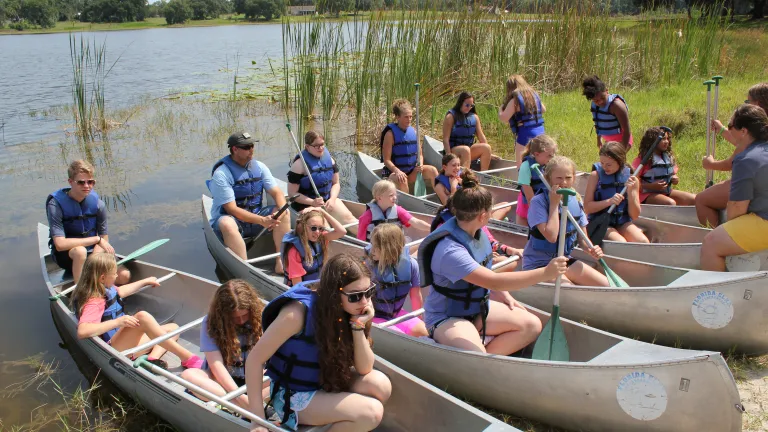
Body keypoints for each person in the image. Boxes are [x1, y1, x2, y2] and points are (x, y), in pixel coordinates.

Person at [418, 176, 567, 356]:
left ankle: (486, 360)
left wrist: (503, 295)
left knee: (531, 325)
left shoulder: (476, 233)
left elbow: (487, 275)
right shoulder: (450, 250)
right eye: (491, 211)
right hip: (447, 317)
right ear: (482, 216)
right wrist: (545, 273)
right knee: (477, 355)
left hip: (476, 308)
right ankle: (479, 357)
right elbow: (494, 281)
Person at [245, 254, 392, 431]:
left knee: (381, 385)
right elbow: (254, 360)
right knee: (371, 413)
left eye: (369, 292)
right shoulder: (296, 314)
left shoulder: (354, 310)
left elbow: (365, 368)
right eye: (355, 296)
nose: (364, 301)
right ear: (334, 294)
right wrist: (257, 419)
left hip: (326, 380)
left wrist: (358, 326)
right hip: (293, 395)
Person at [72, 253, 202, 369]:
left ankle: (152, 359)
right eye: (114, 273)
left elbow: (121, 291)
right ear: (102, 278)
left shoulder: (106, 288)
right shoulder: (94, 301)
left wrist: (145, 281)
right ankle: (187, 357)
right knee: (142, 317)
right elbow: (82, 331)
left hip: (128, 344)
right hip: (115, 348)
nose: (117, 275)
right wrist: (118, 322)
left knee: (173, 328)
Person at [208, 132, 290, 274]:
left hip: (256, 216)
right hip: (232, 221)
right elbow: (232, 209)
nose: (251, 149)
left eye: (252, 146)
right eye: (246, 147)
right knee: (227, 223)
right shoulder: (222, 174)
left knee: (285, 213)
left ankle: (281, 261)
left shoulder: (260, 167)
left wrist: (280, 211)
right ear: (234, 149)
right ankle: (246, 269)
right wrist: (262, 220)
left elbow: (277, 193)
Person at [523, 156, 609, 286]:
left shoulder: (576, 200)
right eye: (559, 178)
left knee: (606, 285)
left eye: (568, 178)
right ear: (548, 179)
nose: (564, 183)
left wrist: (592, 249)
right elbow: (551, 237)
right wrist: (554, 205)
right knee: (568, 288)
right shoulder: (538, 202)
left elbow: (583, 240)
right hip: (539, 265)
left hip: (563, 261)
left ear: (574, 178)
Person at [701, 104, 768, 271]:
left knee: (711, 243)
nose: (728, 130)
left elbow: (737, 208)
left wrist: (727, 231)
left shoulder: (745, 160)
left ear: (744, 131)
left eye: (730, 126)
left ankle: (718, 295)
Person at [181, 280, 267, 409]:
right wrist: (239, 397)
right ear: (223, 314)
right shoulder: (210, 323)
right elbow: (217, 366)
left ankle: (238, 405)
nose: (241, 321)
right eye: (235, 317)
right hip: (223, 381)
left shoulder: (263, 316)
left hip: (257, 380)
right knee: (188, 375)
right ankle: (244, 405)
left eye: (244, 315)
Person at [46, 160, 130, 285]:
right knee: (80, 252)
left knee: (124, 276)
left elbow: (104, 238)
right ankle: (80, 293)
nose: (87, 186)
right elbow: (60, 244)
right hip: (68, 255)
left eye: (90, 182)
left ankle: (109, 295)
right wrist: (95, 240)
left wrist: (93, 260)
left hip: (94, 252)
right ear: (70, 182)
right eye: (81, 182)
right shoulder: (55, 205)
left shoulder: (98, 205)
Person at [697, 83, 768, 227]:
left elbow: (734, 161)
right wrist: (723, 130)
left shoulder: (755, 125)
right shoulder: (760, 125)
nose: (746, 103)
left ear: (758, 104)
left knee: (701, 199)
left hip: (754, 186)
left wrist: (710, 164)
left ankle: (718, 237)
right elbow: (745, 141)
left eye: (748, 101)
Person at [366, 224, 428, 337]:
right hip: (375, 316)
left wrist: (418, 319)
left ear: (389, 248)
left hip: (397, 313)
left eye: (376, 246)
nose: (372, 250)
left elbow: (415, 296)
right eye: (372, 245)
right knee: (400, 336)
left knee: (423, 332)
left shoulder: (411, 265)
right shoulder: (368, 268)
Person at [287, 131, 356, 225]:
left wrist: (332, 199)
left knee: (348, 218)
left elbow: (336, 183)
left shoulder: (330, 160)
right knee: (323, 226)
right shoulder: (299, 165)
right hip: (306, 205)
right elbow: (292, 194)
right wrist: (312, 202)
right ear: (307, 147)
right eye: (316, 146)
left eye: (322, 144)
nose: (321, 148)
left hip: (327, 201)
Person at [584, 141, 648, 243]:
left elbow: (635, 215)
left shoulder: (631, 178)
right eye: (602, 163)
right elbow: (587, 208)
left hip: (622, 222)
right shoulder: (595, 176)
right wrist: (609, 201)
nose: (604, 167)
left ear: (620, 161)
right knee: (621, 242)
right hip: (600, 222)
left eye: (609, 164)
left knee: (643, 241)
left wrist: (631, 193)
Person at [380, 99, 438, 193]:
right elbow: (387, 160)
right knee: (403, 179)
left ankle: (443, 198)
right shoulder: (390, 134)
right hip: (395, 173)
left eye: (411, 117)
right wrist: (397, 171)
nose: (409, 119)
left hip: (412, 171)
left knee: (433, 170)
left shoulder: (414, 132)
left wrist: (421, 164)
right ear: (398, 117)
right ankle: (408, 203)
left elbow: (420, 155)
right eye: (406, 117)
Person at [433, 154, 513, 222]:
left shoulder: (461, 177)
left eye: (458, 165)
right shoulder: (439, 186)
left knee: (506, 205)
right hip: (464, 216)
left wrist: (464, 183)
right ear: (444, 167)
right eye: (454, 165)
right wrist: (453, 187)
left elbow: (477, 192)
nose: (457, 168)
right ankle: (487, 223)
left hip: (476, 209)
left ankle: (488, 220)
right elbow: (451, 208)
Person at [281, 208, 347, 287]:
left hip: (318, 285)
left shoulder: (321, 239)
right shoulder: (294, 251)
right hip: (303, 289)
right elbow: (297, 285)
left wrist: (322, 211)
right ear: (302, 227)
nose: (317, 232)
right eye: (313, 228)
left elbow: (342, 231)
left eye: (321, 228)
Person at [632, 127, 696, 206]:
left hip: (665, 192)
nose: (666, 142)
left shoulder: (667, 157)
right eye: (662, 139)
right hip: (645, 195)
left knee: (694, 199)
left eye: (667, 139)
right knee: (670, 203)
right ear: (653, 141)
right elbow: (632, 182)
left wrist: (674, 178)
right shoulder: (643, 160)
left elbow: (672, 173)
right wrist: (651, 186)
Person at [356, 179, 431, 242]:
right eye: (391, 195)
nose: (395, 198)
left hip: (396, 248)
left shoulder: (398, 211)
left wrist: (432, 228)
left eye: (395, 195)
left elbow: (416, 222)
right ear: (379, 198)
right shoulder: (367, 216)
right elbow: (361, 239)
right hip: (377, 251)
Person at [498, 75, 546, 166]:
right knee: (540, 161)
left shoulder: (515, 100)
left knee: (521, 163)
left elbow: (504, 118)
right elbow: (543, 109)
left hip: (526, 133)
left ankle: (522, 179)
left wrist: (500, 109)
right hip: (540, 131)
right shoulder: (533, 96)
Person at [442, 92, 494, 171]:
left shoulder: (474, 117)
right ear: (460, 103)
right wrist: (449, 157)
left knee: (486, 147)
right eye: (467, 105)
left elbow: (481, 136)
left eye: (471, 105)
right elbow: (445, 139)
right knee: (465, 150)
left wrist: (490, 153)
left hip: (468, 150)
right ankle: (465, 176)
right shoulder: (451, 117)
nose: (469, 107)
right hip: (454, 151)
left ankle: (484, 175)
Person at [515, 134, 557, 226]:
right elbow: (530, 197)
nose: (552, 159)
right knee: (525, 229)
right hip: (529, 203)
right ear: (536, 154)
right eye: (549, 156)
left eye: (553, 155)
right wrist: (539, 213)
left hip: (543, 201)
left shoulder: (547, 164)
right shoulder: (526, 167)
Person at [582, 75, 632, 150]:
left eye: (602, 97)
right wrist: (598, 139)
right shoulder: (594, 106)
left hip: (623, 141)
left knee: (613, 161)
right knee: (606, 161)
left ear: (606, 90)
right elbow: (598, 123)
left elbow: (627, 130)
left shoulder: (616, 105)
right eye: (596, 100)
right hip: (609, 142)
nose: (600, 102)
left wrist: (622, 150)